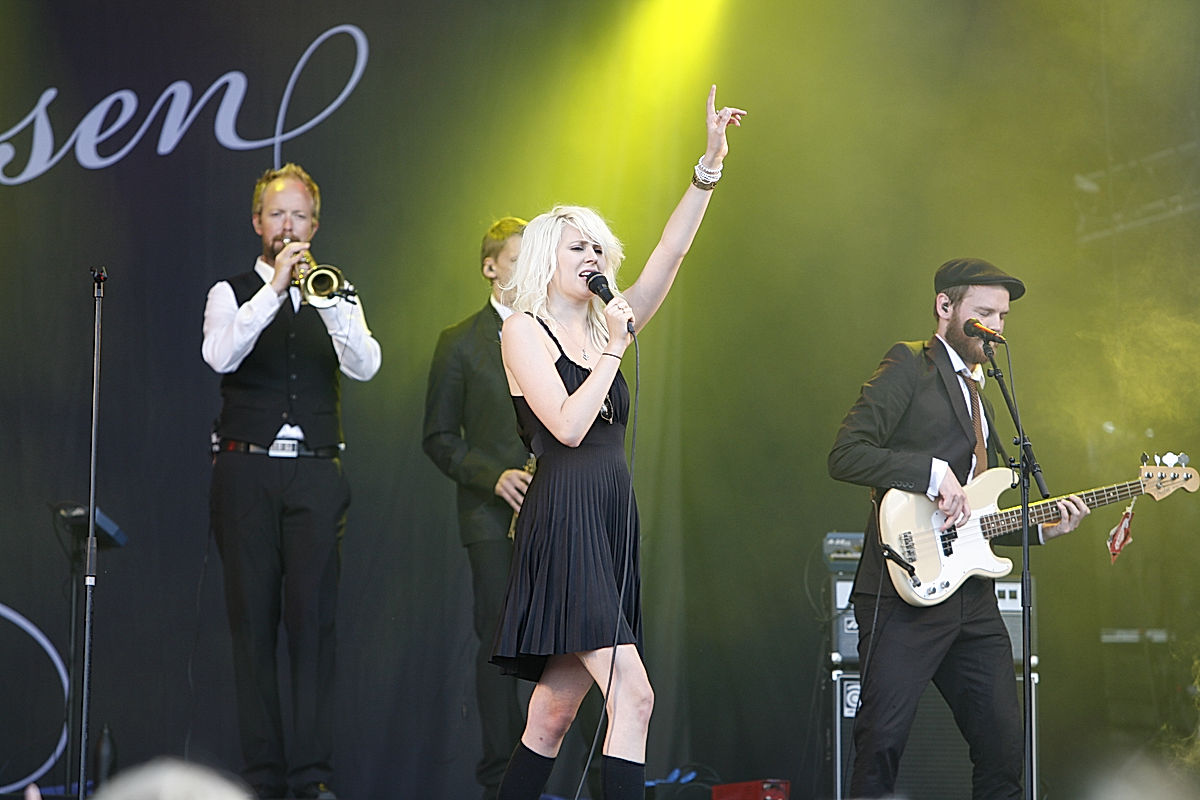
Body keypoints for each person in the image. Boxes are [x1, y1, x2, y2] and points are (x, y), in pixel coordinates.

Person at [489, 85, 745, 800]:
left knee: (554, 711)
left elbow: (672, 250)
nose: (593, 255)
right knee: (633, 696)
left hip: (607, 517)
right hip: (563, 513)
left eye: (600, 247)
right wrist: (613, 351)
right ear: (547, 255)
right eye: (579, 246)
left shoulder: (610, 323)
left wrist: (708, 168)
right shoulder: (523, 330)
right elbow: (567, 427)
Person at [827, 258, 1091, 798]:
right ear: (945, 308)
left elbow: (974, 517)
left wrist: (1040, 529)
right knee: (880, 746)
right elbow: (846, 455)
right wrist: (929, 473)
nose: (995, 327)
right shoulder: (909, 365)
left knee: (1002, 750)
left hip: (972, 600)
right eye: (983, 314)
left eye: (1002, 316)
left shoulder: (983, 396)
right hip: (903, 593)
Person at [202, 163, 381, 800]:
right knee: (252, 628)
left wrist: (325, 303)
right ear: (258, 224)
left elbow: (367, 365)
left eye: (299, 215)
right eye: (276, 214)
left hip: (315, 474)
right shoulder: (230, 292)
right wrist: (274, 290)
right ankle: (262, 777)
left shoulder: (338, 290)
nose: (288, 226)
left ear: (314, 225)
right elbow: (220, 354)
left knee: (314, 628)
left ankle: (312, 777)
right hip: (246, 471)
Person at [421, 216, 534, 799]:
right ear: (491, 267)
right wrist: (495, 478)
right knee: (498, 645)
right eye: (518, 259)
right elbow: (439, 437)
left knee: (570, 646)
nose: (528, 270)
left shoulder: (552, 333)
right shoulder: (460, 341)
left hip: (552, 512)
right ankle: (502, 783)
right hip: (490, 517)